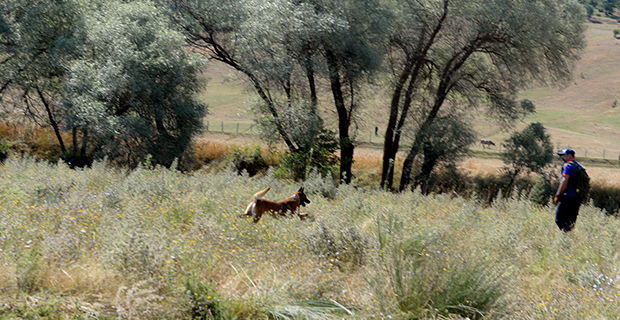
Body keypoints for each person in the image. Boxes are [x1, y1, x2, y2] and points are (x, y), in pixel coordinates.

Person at [554, 148, 582, 232]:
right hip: (577, 198)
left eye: (563, 155)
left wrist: (558, 194)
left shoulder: (567, 166)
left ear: (569, 155)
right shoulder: (579, 166)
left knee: (559, 219)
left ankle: (566, 236)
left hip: (567, 197)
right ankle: (568, 237)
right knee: (571, 221)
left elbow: (564, 180)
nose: (562, 157)